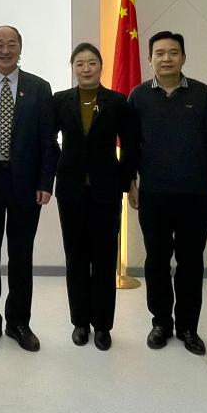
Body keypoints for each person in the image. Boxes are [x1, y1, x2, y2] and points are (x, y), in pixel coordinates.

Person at [0, 25, 57, 353]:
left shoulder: (39, 87)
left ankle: (19, 323)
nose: (5, 50)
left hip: (26, 185)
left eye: (11, 44)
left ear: (20, 48)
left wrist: (45, 182)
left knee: (21, 256)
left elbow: (48, 140)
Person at [128, 31, 207, 356]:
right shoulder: (139, 96)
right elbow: (131, 146)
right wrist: (130, 182)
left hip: (195, 195)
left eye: (173, 52)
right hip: (153, 194)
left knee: (190, 262)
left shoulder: (201, 93)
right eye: (160, 53)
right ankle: (161, 323)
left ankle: (188, 327)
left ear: (183, 57)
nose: (166, 58)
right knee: (156, 261)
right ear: (150, 59)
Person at [52, 42, 139, 351]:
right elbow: (47, 139)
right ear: (73, 68)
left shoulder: (117, 102)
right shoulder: (60, 100)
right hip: (70, 190)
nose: (86, 68)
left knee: (104, 259)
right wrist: (59, 166)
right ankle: (80, 322)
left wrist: (127, 182)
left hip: (106, 190)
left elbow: (131, 145)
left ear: (101, 67)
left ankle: (102, 326)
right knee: (75, 258)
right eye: (80, 63)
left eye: (91, 63)